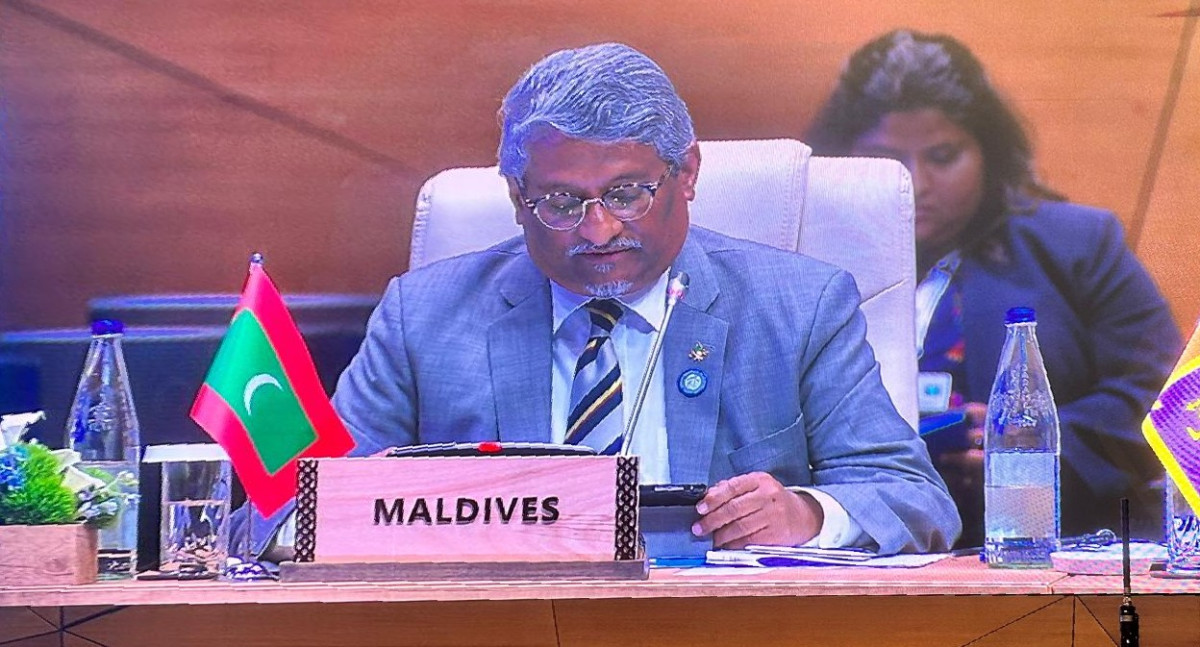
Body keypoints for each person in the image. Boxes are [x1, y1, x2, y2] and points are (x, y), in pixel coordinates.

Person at [249, 42, 959, 558]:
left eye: (625, 193)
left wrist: (805, 513)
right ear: (517, 197)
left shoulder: (800, 305)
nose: (597, 230)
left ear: (687, 173)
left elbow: (913, 497)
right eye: (560, 202)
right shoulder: (425, 316)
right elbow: (289, 514)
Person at [806, 30, 1181, 546]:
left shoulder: (1077, 244)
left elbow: (1163, 396)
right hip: (851, 542)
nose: (916, 183)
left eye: (942, 156)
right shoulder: (802, 259)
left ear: (988, 151)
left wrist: (1035, 442)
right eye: (888, 160)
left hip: (1049, 539)